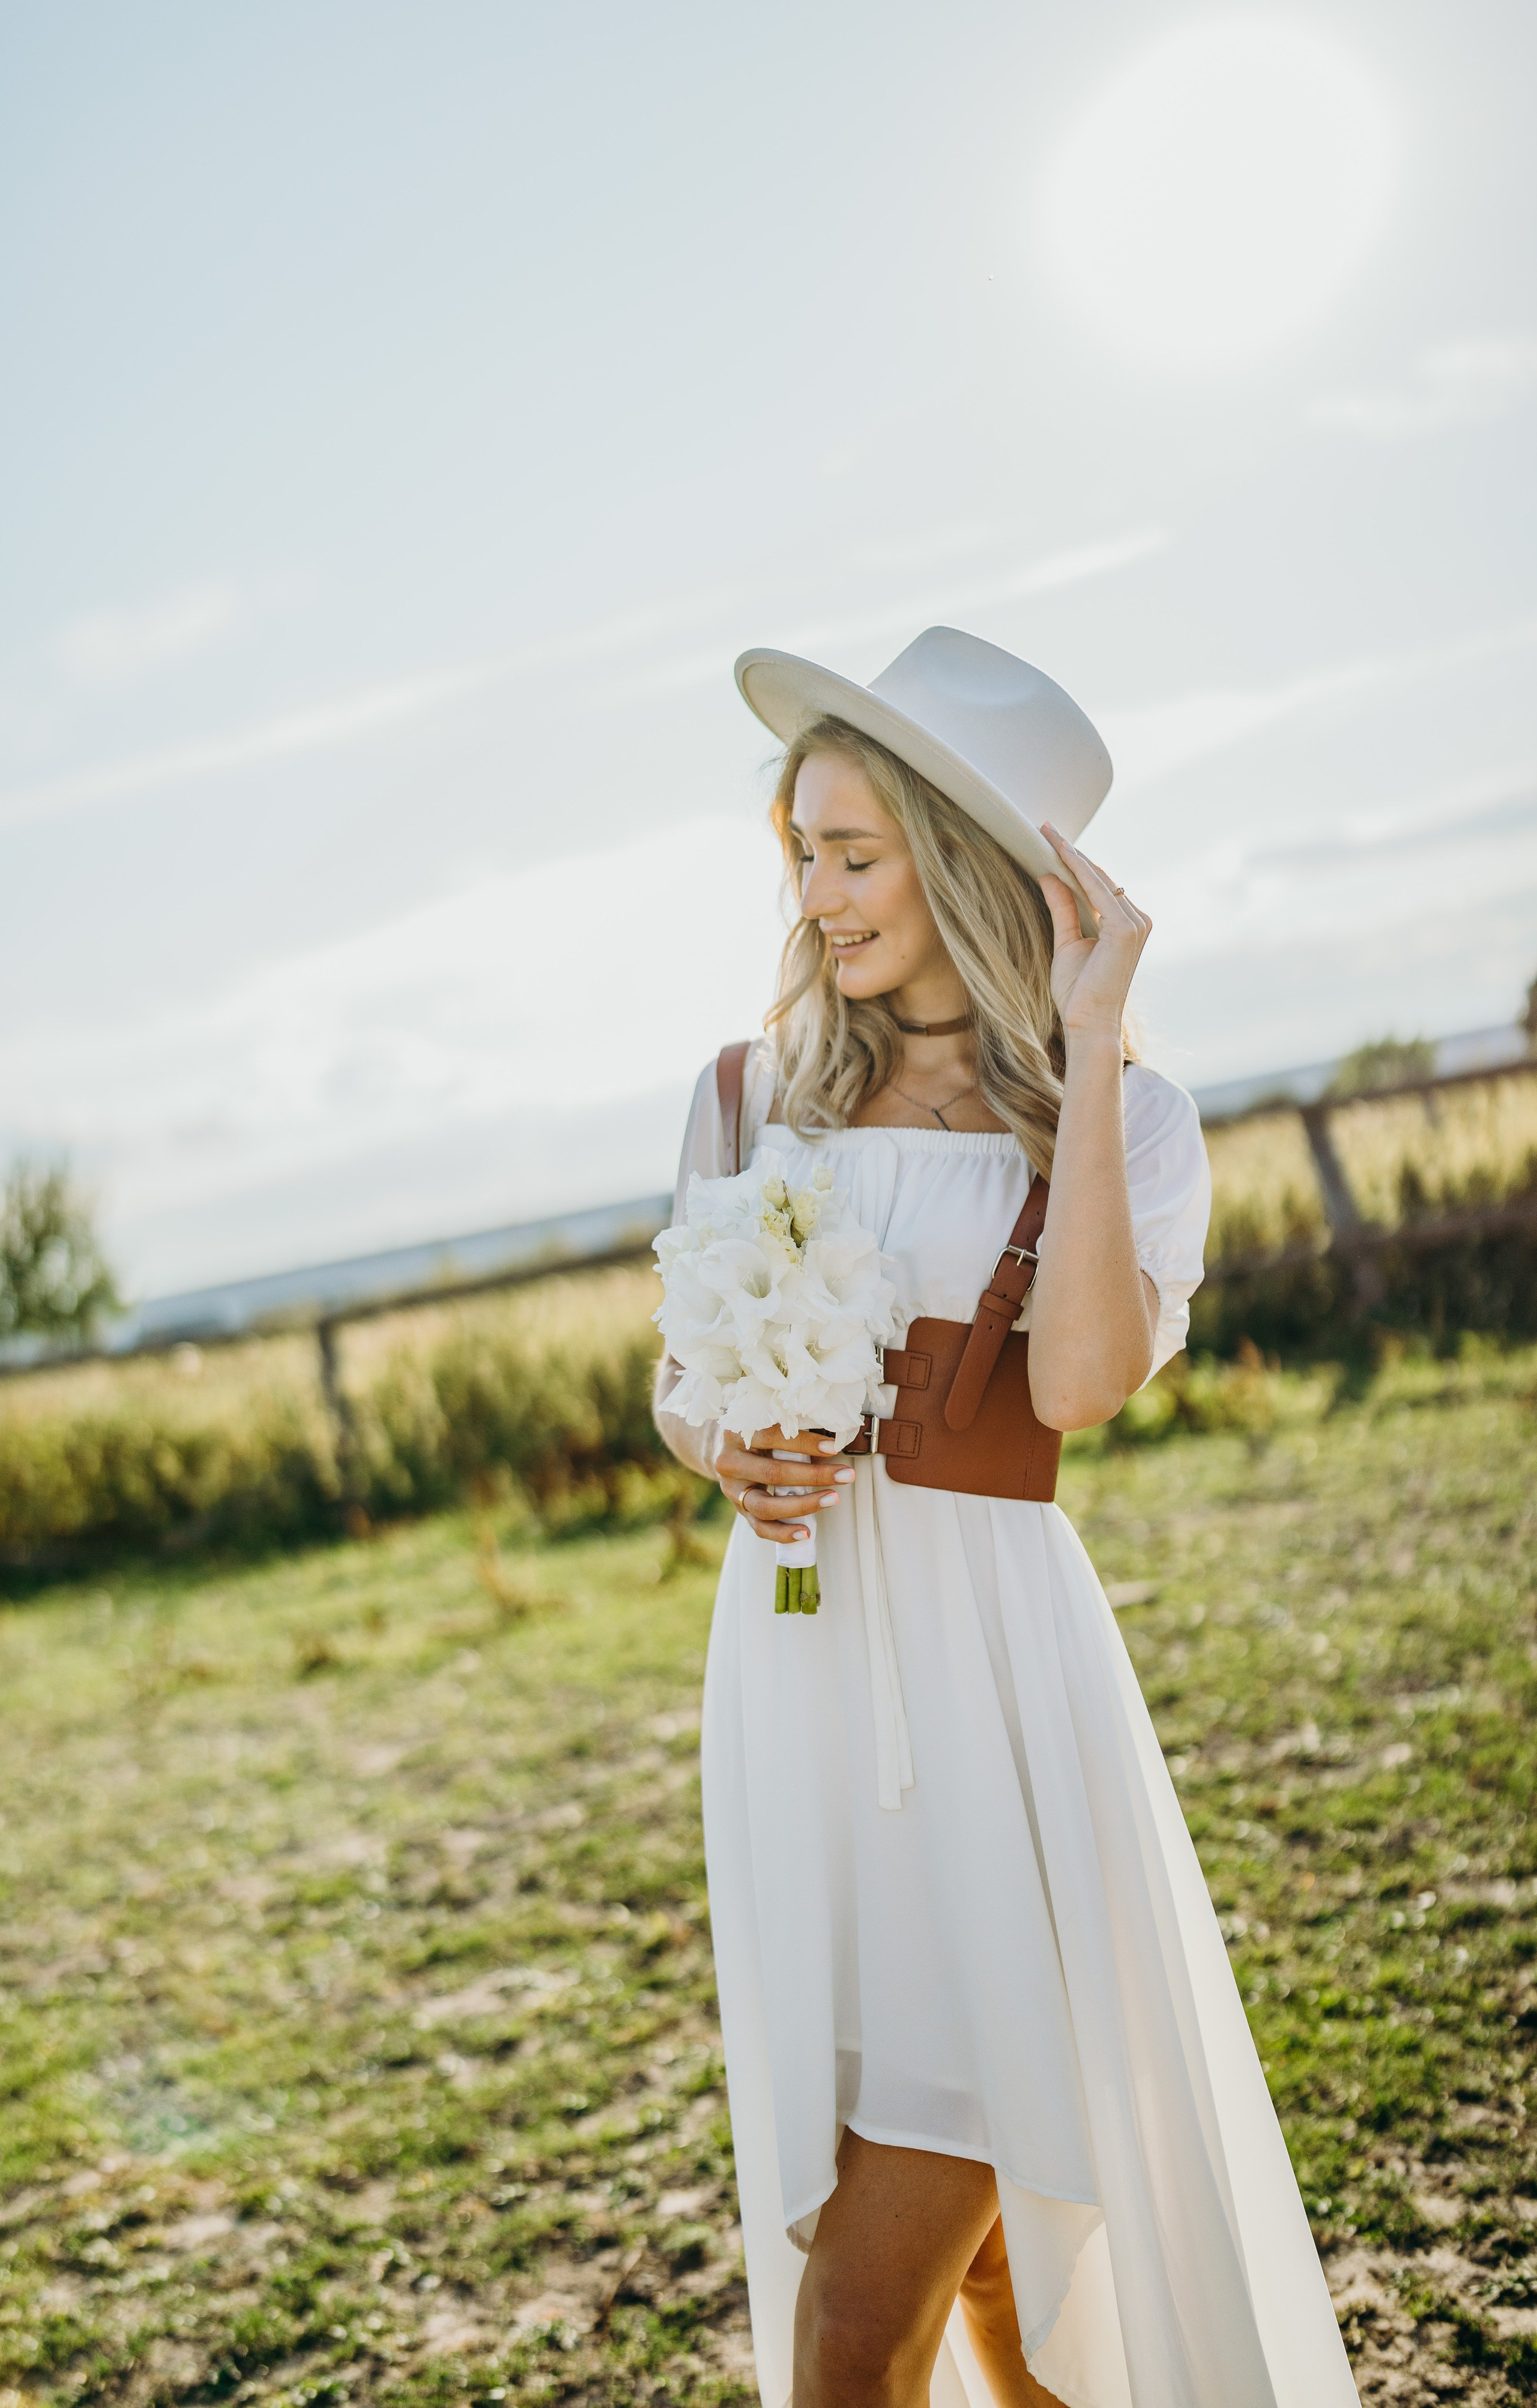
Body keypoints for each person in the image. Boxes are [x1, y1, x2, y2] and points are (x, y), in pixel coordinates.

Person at [653, 628, 1357, 2408]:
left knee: (857, 2319)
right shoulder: (750, 1101)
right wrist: (716, 1447)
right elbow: (680, 1377)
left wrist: (1099, 1043)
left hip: (997, 1709)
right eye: (799, 852)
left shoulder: (1124, 1124)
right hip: (801, 1695)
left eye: (854, 852)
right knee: (990, 2278)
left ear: (968, 862)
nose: (815, 896)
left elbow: (1081, 1387)